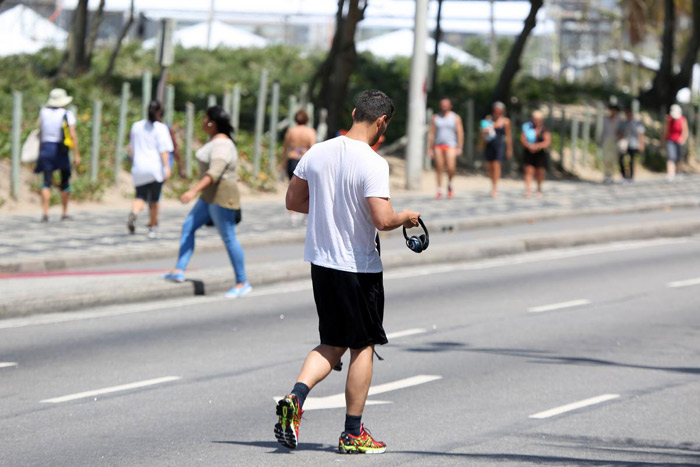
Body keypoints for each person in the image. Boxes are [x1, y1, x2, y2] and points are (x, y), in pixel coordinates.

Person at [277, 90, 420, 454]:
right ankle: (353, 433)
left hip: (321, 263)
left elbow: (293, 201)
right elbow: (382, 219)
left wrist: (328, 208)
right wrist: (407, 216)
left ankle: (295, 397)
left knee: (332, 341)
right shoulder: (374, 163)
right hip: (358, 268)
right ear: (382, 122)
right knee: (362, 346)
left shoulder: (318, 151)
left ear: (355, 112)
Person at [163, 106, 251, 299]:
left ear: (212, 123)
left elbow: (215, 171)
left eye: (205, 118)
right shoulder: (214, 141)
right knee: (189, 226)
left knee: (228, 237)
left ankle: (242, 281)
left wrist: (193, 191)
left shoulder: (222, 144)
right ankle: (179, 270)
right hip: (209, 195)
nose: (202, 122)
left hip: (221, 195)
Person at [126, 101, 173, 238]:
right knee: (154, 199)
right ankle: (152, 227)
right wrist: (167, 168)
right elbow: (164, 151)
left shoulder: (136, 126)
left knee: (140, 196)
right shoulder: (161, 128)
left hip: (139, 167)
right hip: (155, 168)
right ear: (160, 112)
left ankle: (134, 213)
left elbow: (131, 148)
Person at [35, 88, 82, 222]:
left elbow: (40, 129)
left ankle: (45, 213)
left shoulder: (43, 112)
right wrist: (77, 154)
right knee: (65, 180)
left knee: (46, 181)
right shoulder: (67, 114)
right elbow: (72, 135)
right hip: (61, 149)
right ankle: (65, 212)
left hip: (45, 148)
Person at [281, 109, 316, 225]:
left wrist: (283, 162)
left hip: (292, 159)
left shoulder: (291, 131)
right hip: (305, 159)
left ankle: (293, 216)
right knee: (308, 187)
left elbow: (285, 148)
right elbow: (313, 148)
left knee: (292, 187)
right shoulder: (310, 132)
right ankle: (306, 214)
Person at [428, 97, 464, 199]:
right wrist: (430, 148)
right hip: (438, 145)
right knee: (439, 167)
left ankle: (450, 184)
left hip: (451, 145)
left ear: (450, 105)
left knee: (451, 167)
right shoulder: (435, 117)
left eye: (446, 104)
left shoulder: (455, 117)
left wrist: (460, 147)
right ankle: (439, 189)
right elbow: (431, 133)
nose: (444, 105)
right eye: (442, 104)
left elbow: (460, 132)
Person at [482, 101, 512, 198]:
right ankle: (492, 183)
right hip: (490, 144)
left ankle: (495, 187)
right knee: (490, 166)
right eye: (496, 110)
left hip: (500, 145)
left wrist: (509, 149)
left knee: (497, 165)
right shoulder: (489, 120)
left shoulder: (506, 121)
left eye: (499, 111)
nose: (497, 112)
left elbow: (508, 136)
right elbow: (483, 133)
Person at [521, 110, 551, 198]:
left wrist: (538, 146)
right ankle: (528, 190)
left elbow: (547, 141)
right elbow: (523, 139)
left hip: (540, 152)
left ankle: (539, 189)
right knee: (528, 170)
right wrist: (529, 146)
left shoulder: (544, 129)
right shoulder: (527, 127)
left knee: (539, 171)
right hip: (529, 151)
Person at [662, 104, 689, 181]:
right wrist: (663, 140)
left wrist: (683, 139)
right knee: (671, 156)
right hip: (670, 140)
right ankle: (671, 173)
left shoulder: (682, 119)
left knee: (679, 157)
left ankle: (678, 171)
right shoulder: (668, 119)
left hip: (679, 141)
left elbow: (685, 131)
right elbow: (665, 130)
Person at [617, 108, 645, 182]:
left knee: (631, 160)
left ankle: (631, 177)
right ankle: (624, 175)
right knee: (621, 159)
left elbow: (641, 134)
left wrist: (641, 144)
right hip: (624, 144)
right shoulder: (623, 123)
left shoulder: (636, 123)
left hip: (633, 144)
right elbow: (619, 132)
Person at [599, 103, 620, 184]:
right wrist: (600, 140)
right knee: (606, 158)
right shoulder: (605, 119)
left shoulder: (619, 120)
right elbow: (603, 131)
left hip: (615, 141)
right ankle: (606, 174)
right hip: (606, 140)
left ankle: (611, 175)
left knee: (613, 159)